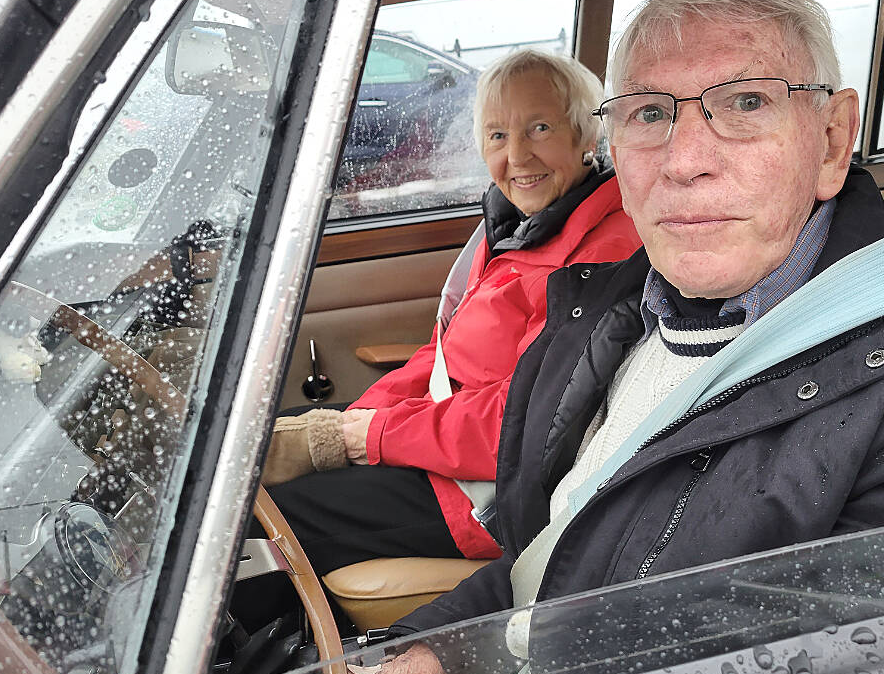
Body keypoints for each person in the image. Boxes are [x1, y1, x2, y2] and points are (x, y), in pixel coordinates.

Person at [261, 0, 884, 674]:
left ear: (834, 138)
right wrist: (417, 673)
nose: (684, 159)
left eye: (746, 103)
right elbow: (542, 566)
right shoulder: (601, 319)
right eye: (648, 114)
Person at [252, 49, 641, 597]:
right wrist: (353, 422)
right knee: (245, 452)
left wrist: (368, 438)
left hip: (484, 495)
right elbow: (443, 357)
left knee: (262, 518)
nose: (517, 154)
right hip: (441, 447)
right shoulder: (517, 229)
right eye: (497, 135)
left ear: (586, 137)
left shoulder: (602, 256)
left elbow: (528, 424)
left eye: (540, 127)